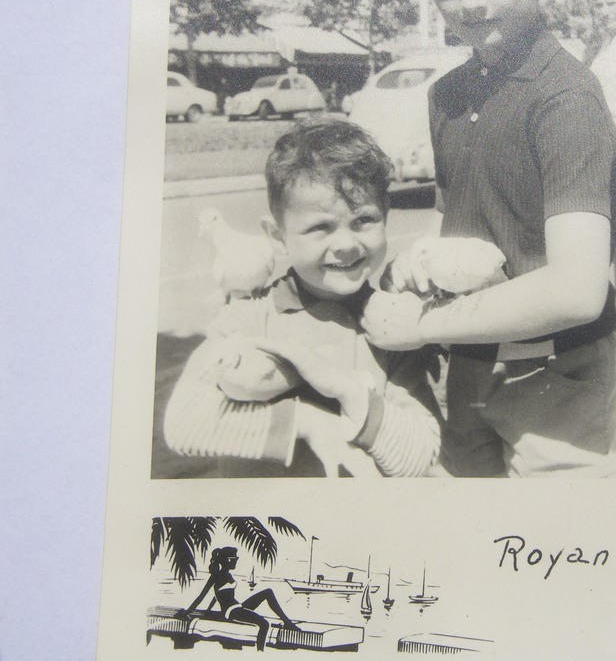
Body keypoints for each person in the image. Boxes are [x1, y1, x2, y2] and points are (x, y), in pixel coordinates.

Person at [362, 0, 616, 477]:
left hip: (556, 375)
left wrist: (422, 326)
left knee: (540, 547)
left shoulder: (566, 98)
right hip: (468, 361)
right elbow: (455, 233)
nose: (471, 1)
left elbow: (576, 290)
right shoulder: (448, 94)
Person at [163, 119, 442, 477]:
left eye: (364, 220)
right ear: (277, 236)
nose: (345, 244)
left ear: (386, 217)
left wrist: (343, 388)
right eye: (320, 227)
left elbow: (420, 456)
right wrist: (308, 424)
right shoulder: (248, 318)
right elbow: (183, 422)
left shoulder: (392, 326)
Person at [181, 546, 297, 652]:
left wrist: (209, 610)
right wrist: (187, 612)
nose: (237, 561)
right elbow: (202, 596)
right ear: (228, 560)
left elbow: (217, 595)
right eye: (235, 559)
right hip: (231, 611)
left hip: (238, 606)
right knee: (264, 624)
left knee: (268, 592)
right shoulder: (216, 576)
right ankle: (260, 652)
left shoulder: (228, 575)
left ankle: (288, 623)